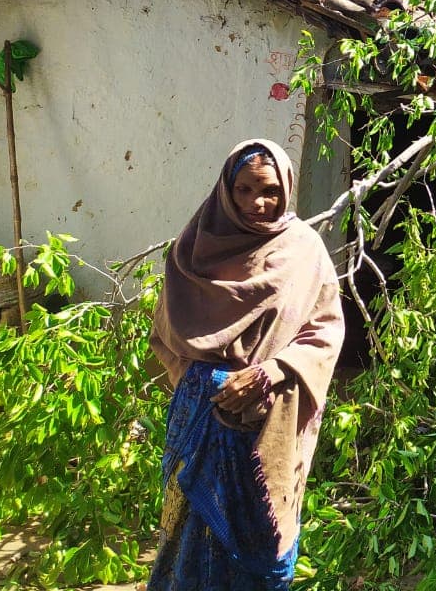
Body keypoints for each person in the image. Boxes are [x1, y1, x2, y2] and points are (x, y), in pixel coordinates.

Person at [148, 139, 345, 590]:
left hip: (266, 421)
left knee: (260, 539)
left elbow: (325, 332)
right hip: (200, 419)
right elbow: (166, 334)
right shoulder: (193, 249)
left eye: (270, 190)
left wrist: (269, 373)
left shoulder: (304, 250)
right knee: (189, 538)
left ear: (287, 189)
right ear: (226, 189)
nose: (258, 202)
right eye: (244, 189)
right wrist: (206, 383)